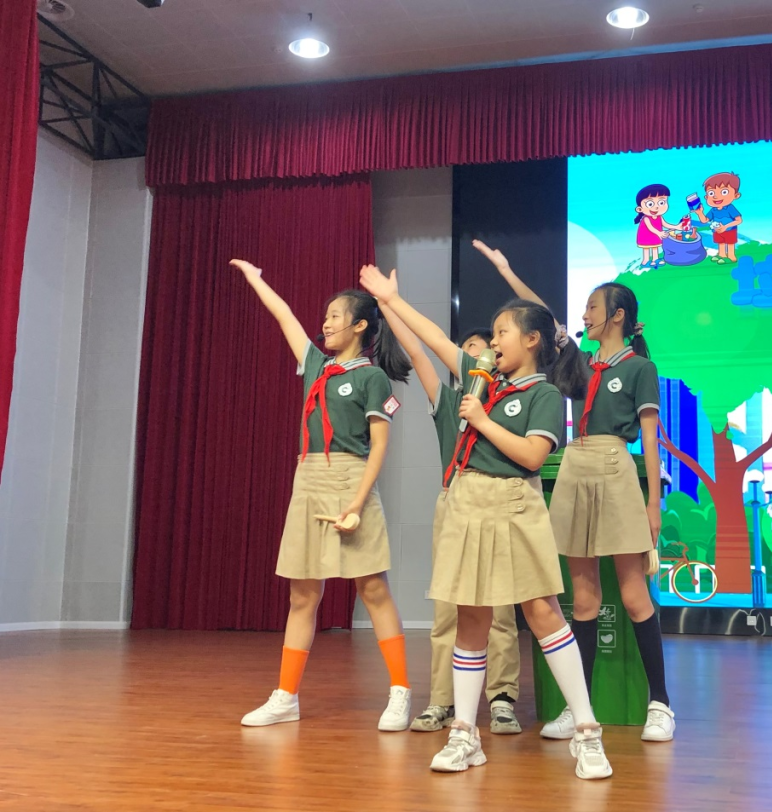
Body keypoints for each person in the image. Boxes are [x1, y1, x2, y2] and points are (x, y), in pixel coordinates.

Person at [359, 263, 612, 780]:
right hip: (466, 503)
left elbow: (532, 455)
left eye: (502, 333)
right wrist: (390, 300)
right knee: (470, 618)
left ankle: (587, 731)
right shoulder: (481, 381)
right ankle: (464, 734)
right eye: (492, 335)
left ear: (533, 340)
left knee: (542, 612)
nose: (492, 343)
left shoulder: (543, 394)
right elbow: (432, 340)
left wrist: (480, 421)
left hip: (515, 504)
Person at [230, 259, 413, 732]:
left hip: (352, 480)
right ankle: (286, 696)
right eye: (325, 316)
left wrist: (358, 501)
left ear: (359, 325)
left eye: (335, 316)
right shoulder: (315, 364)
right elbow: (284, 316)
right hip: (308, 480)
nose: (326, 323)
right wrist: (256, 280)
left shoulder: (372, 377)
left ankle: (399, 692)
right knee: (302, 595)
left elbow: (380, 446)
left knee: (373, 589)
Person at [377, 308, 523, 736]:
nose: (473, 356)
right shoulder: (447, 401)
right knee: (447, 608)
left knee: (500, 609)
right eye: (466, 351)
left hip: (496, 498)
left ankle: (502, 698)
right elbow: (419, 352)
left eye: (481, 349)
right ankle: (442, 699)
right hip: (453, 500)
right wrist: (388, 304)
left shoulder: (507, 400)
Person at [542, 281, 676, 743]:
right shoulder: (580, 363)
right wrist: (503, 268)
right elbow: (544, 314)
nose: (584, 316)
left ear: (617, 315)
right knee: (583, 600)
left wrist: (653, 502)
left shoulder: (640, 367)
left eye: (592, 307)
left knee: (635, 595)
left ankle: (660, 705)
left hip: (616, 466)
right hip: (575, 466)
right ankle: (578, 710)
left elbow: (651, 439)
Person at [693, 172, 742, 264]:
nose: (716, 196)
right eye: (711, 193)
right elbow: (705, 220)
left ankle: (731, 257)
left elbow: (739, 220)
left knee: (730, 244)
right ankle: (722, 255)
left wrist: (725, 227)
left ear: (736, 195)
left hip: (729, 230)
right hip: (717, 230)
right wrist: (700, 213)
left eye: (724, 192)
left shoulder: (730, 208)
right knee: (721, 243)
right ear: (706, 197)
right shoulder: (713, 210)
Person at [633, 184, 680, 270]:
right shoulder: (646, 218)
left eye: (661, 202)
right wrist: (659, 233)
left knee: (655, 247)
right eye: (650, 204)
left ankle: (655, 259)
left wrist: (677, 227)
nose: (656, 207)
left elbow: (666, 224)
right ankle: (645, 261)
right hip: (646, 236)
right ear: (640, 209)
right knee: (646, 249)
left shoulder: (659, 217)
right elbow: (650, 228)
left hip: (655, 236)